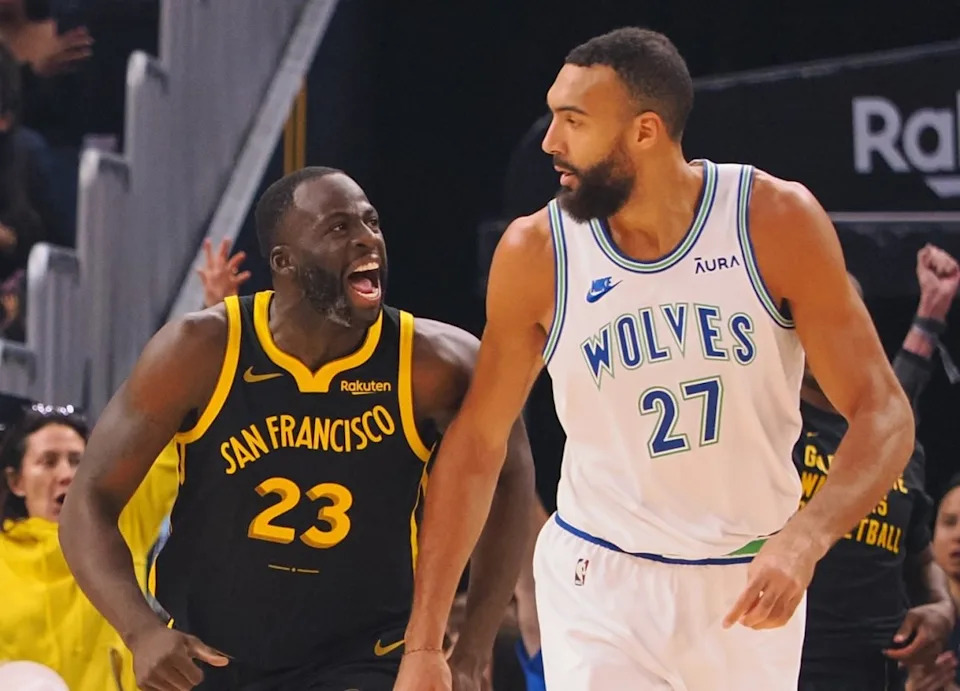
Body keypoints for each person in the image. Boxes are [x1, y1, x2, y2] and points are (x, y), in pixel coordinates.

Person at [394, 26, 915, 691]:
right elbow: (476, 443)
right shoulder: (538, 254)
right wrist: (425, 641)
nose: (551, 141)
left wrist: (805, 538)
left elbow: (885, 412)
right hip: (601, 577)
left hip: (745, 578)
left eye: (572, 121)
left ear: (645, 132)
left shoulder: (772, 221)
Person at [59, 166, 535, 691]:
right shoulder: (200, 351)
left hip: (364, 658)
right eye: (337, 228)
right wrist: (140, 629)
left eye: (371, 222)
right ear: (283, 261)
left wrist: (470, 651)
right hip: (209, 657)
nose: (366, 238)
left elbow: (509, 475)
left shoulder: (435, 364)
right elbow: (90, 500)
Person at [796, 247, 959, 691]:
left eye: (844, 315)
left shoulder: (897, 441)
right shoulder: (765, 428)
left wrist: (942, 609)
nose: (831, 328)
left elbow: (922, 560)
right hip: (776, 672)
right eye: (814, 312)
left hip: (878, 675)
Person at [0, 403, 178, 691]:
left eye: (77, 461)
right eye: (48, 461)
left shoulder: (122, 528)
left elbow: (168, 442)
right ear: (16, 481)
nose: (66, 474)